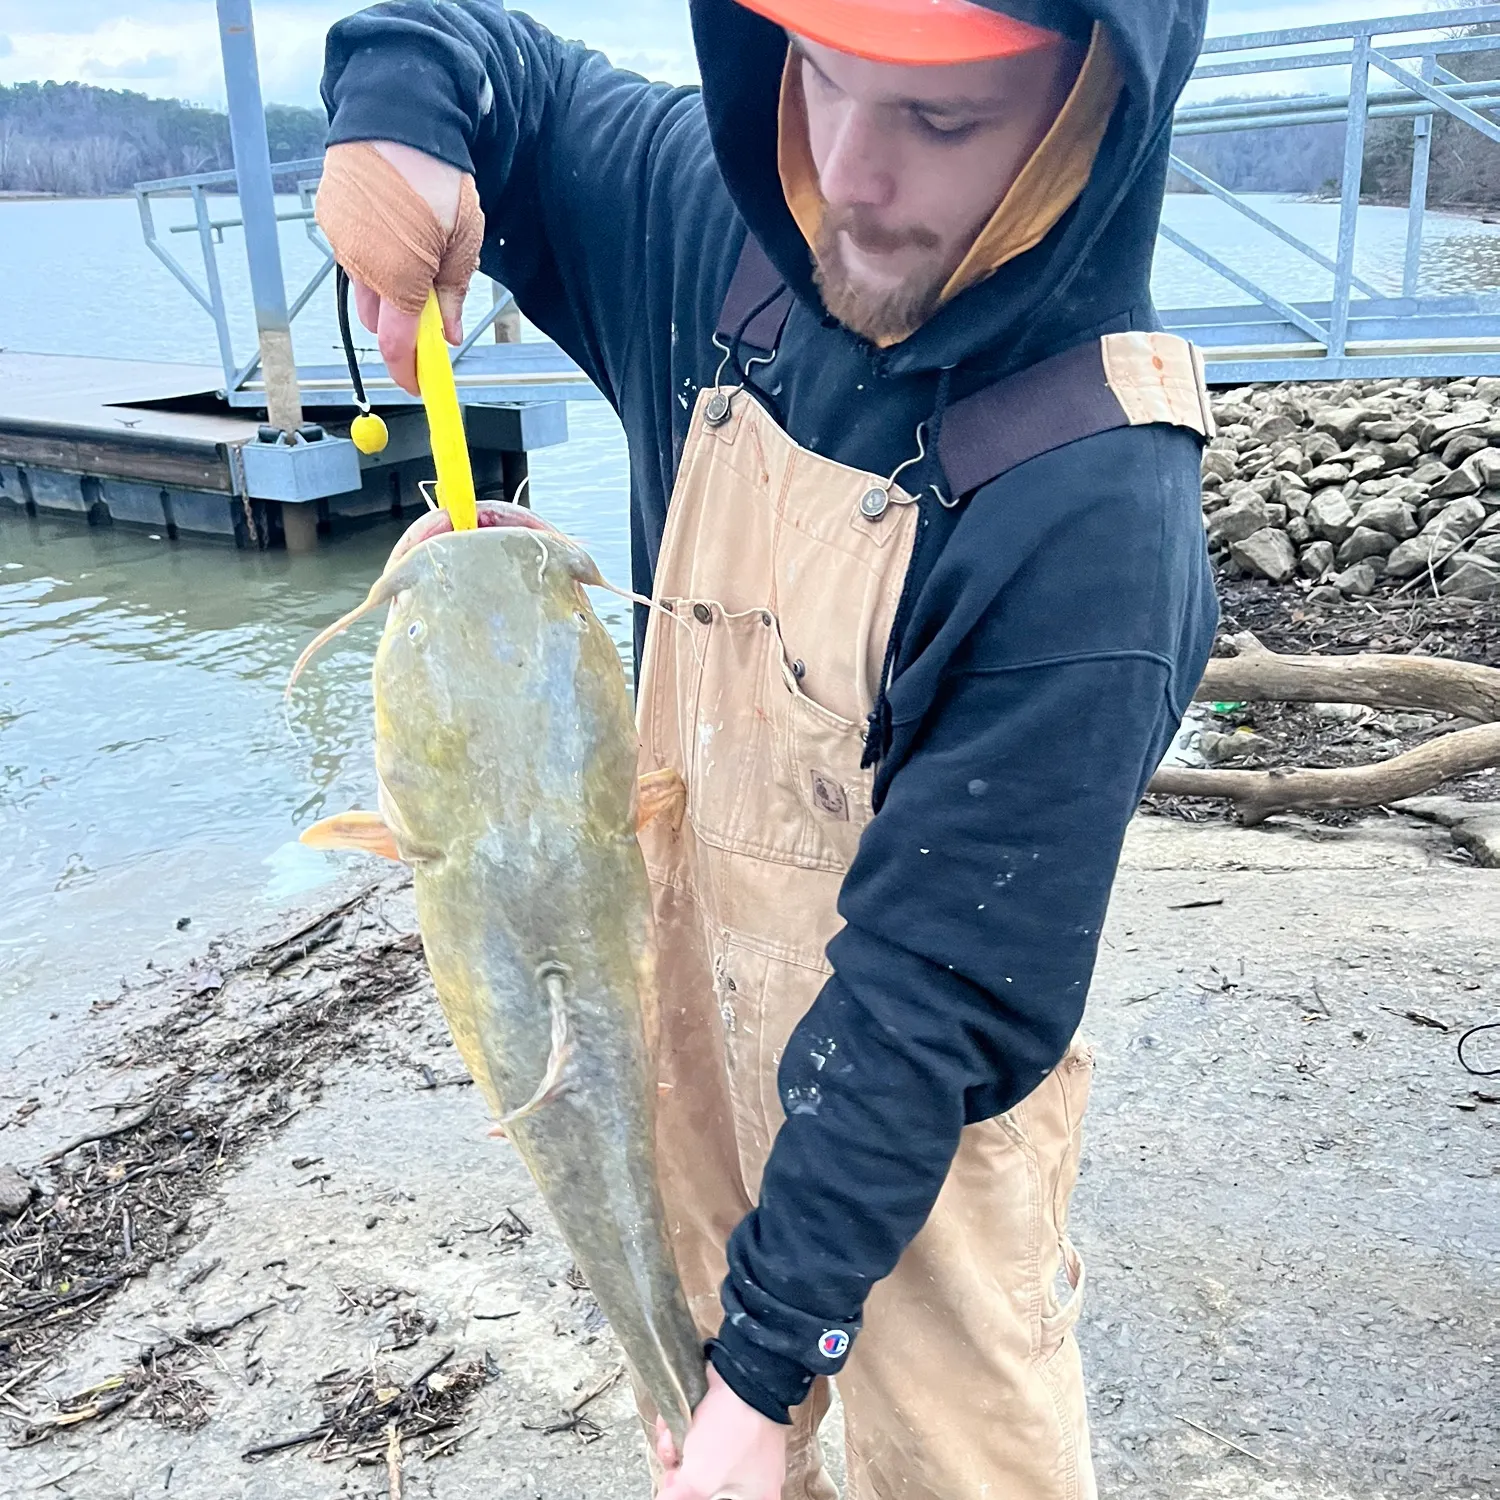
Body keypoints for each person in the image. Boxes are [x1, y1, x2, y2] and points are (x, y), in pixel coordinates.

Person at [315, 0, 1217, 1495]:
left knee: (954, 1451)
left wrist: (770, 1353)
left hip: (922, 1116)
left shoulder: (1096, 514)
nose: (848, 175)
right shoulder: (729, 222)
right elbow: (490, 60)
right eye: (823, 79)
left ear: (1089, 114)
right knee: (716, 1435)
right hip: (685, 1037)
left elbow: (936, 996)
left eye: (938, 122)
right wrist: (400, 118)